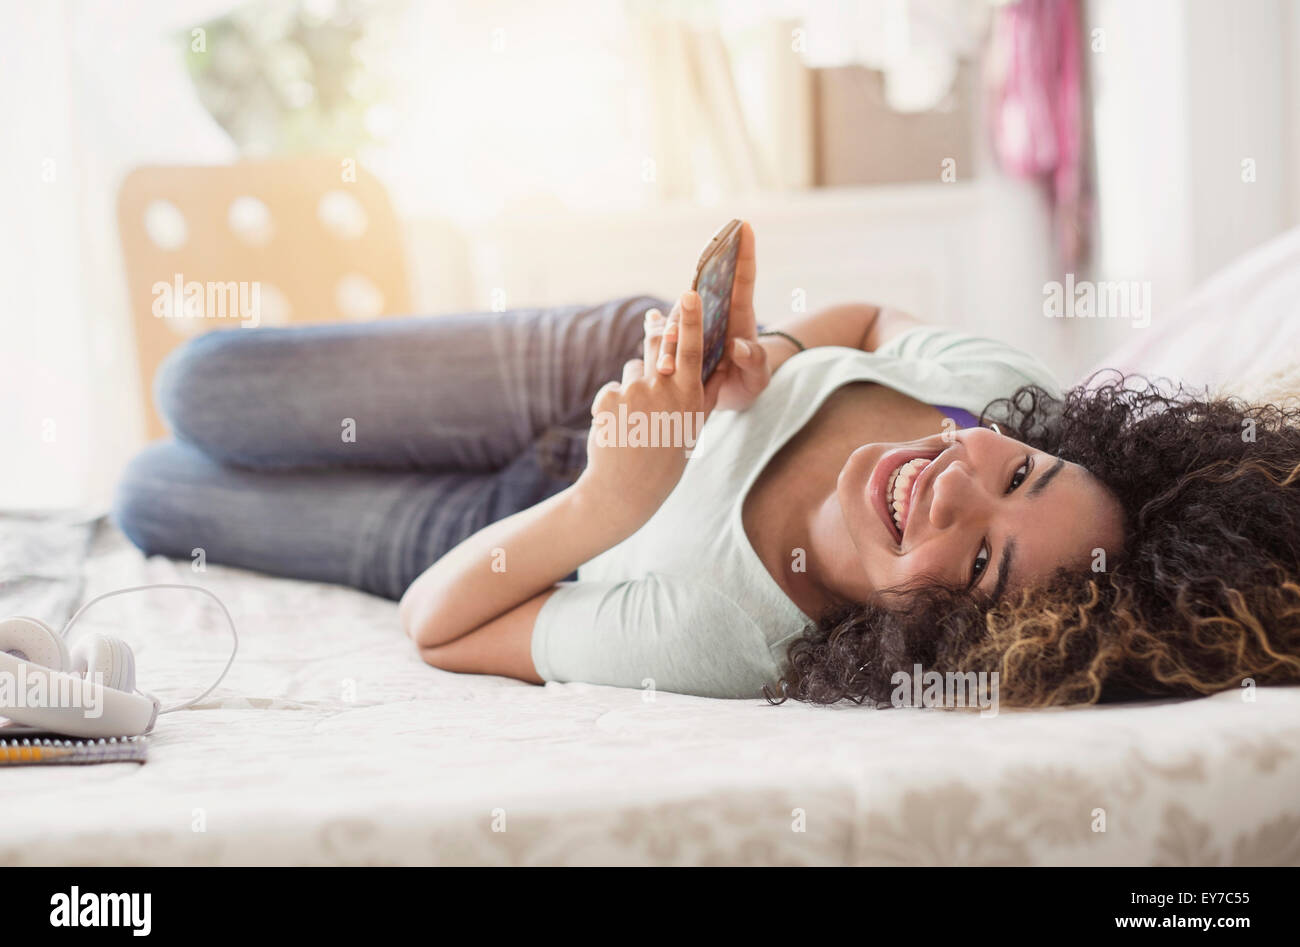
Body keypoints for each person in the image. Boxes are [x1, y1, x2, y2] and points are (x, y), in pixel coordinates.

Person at [115, 223, 1300, 706]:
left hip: (505, 526)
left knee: (152, 494)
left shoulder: (726, 637)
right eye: (1023, 473)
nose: (957, 479)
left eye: (981, 556)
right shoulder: (995, 391)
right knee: (198, 382)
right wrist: (764, 355)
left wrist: (609, 498)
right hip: (592, 369)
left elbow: (440, 626)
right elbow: (870, 317)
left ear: (934, 637)